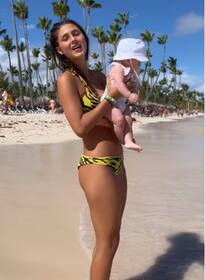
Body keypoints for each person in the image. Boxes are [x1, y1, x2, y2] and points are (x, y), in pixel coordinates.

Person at [50, 19, 127, 279]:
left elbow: (112, 114)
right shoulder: (67, 80)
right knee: (106, 242)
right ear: (59, 49)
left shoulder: (100, 77)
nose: (73, 40)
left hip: (117, 164)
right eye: (65, 38)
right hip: (96, 166)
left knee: (113, 239)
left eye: (76, 34)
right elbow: (80, 127)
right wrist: (109, 98)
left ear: (84, 38)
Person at [101, 38, 146, 152]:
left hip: (122, 103)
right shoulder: (117, 68)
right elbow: (119, 84)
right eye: (139, 60)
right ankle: (119, 141)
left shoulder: (132, 73)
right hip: (110, 103)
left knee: (128, 119)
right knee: (120, 120)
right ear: (128, 59)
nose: (140, 63)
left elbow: (135, 86)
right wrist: (129, 95)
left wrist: (135, 93)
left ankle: (129, 141)